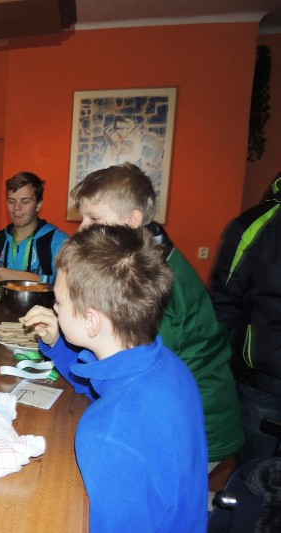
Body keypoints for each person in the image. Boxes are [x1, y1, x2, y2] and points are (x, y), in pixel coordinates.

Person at [22, 224, 208, 531]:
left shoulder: (106, 433)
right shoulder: (168, 365)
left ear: (91, 321)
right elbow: (103, 384)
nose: (54, 308)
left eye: (59, 302)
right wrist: (57, 344)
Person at [70, 163, 244, 472]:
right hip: (181, 410)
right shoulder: (146, 256)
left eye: (94, 218)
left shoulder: (152, 278)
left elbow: (146, 360)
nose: (83, 227)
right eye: (83, 218)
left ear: (132, 220)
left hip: (200, 420)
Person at [212, 172, 281, 464]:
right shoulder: (258, 224)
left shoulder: (255, 223)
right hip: (263, 380)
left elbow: (225, 302)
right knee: (257, 470)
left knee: (256, 473)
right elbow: (225, 303)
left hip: (261, 379)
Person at [0, 171, 68, 282]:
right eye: (11, 201)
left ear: (38, 205)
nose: (16, 208)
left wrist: (16, 276)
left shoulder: (59, 241)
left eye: (25, 202)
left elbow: (69, 284)